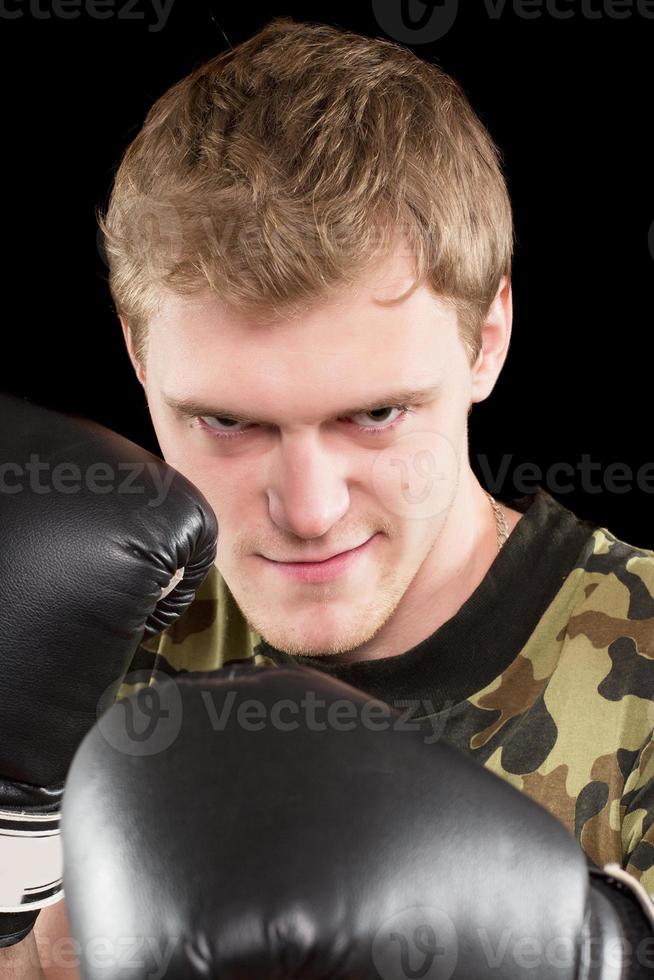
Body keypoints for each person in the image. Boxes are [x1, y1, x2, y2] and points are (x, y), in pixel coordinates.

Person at [7, 13, 654, 978]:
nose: (307, 510)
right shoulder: (75, 632)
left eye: (377, 415)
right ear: (139, 355)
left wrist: (601, 958)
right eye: (229, 424)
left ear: (487, 341)